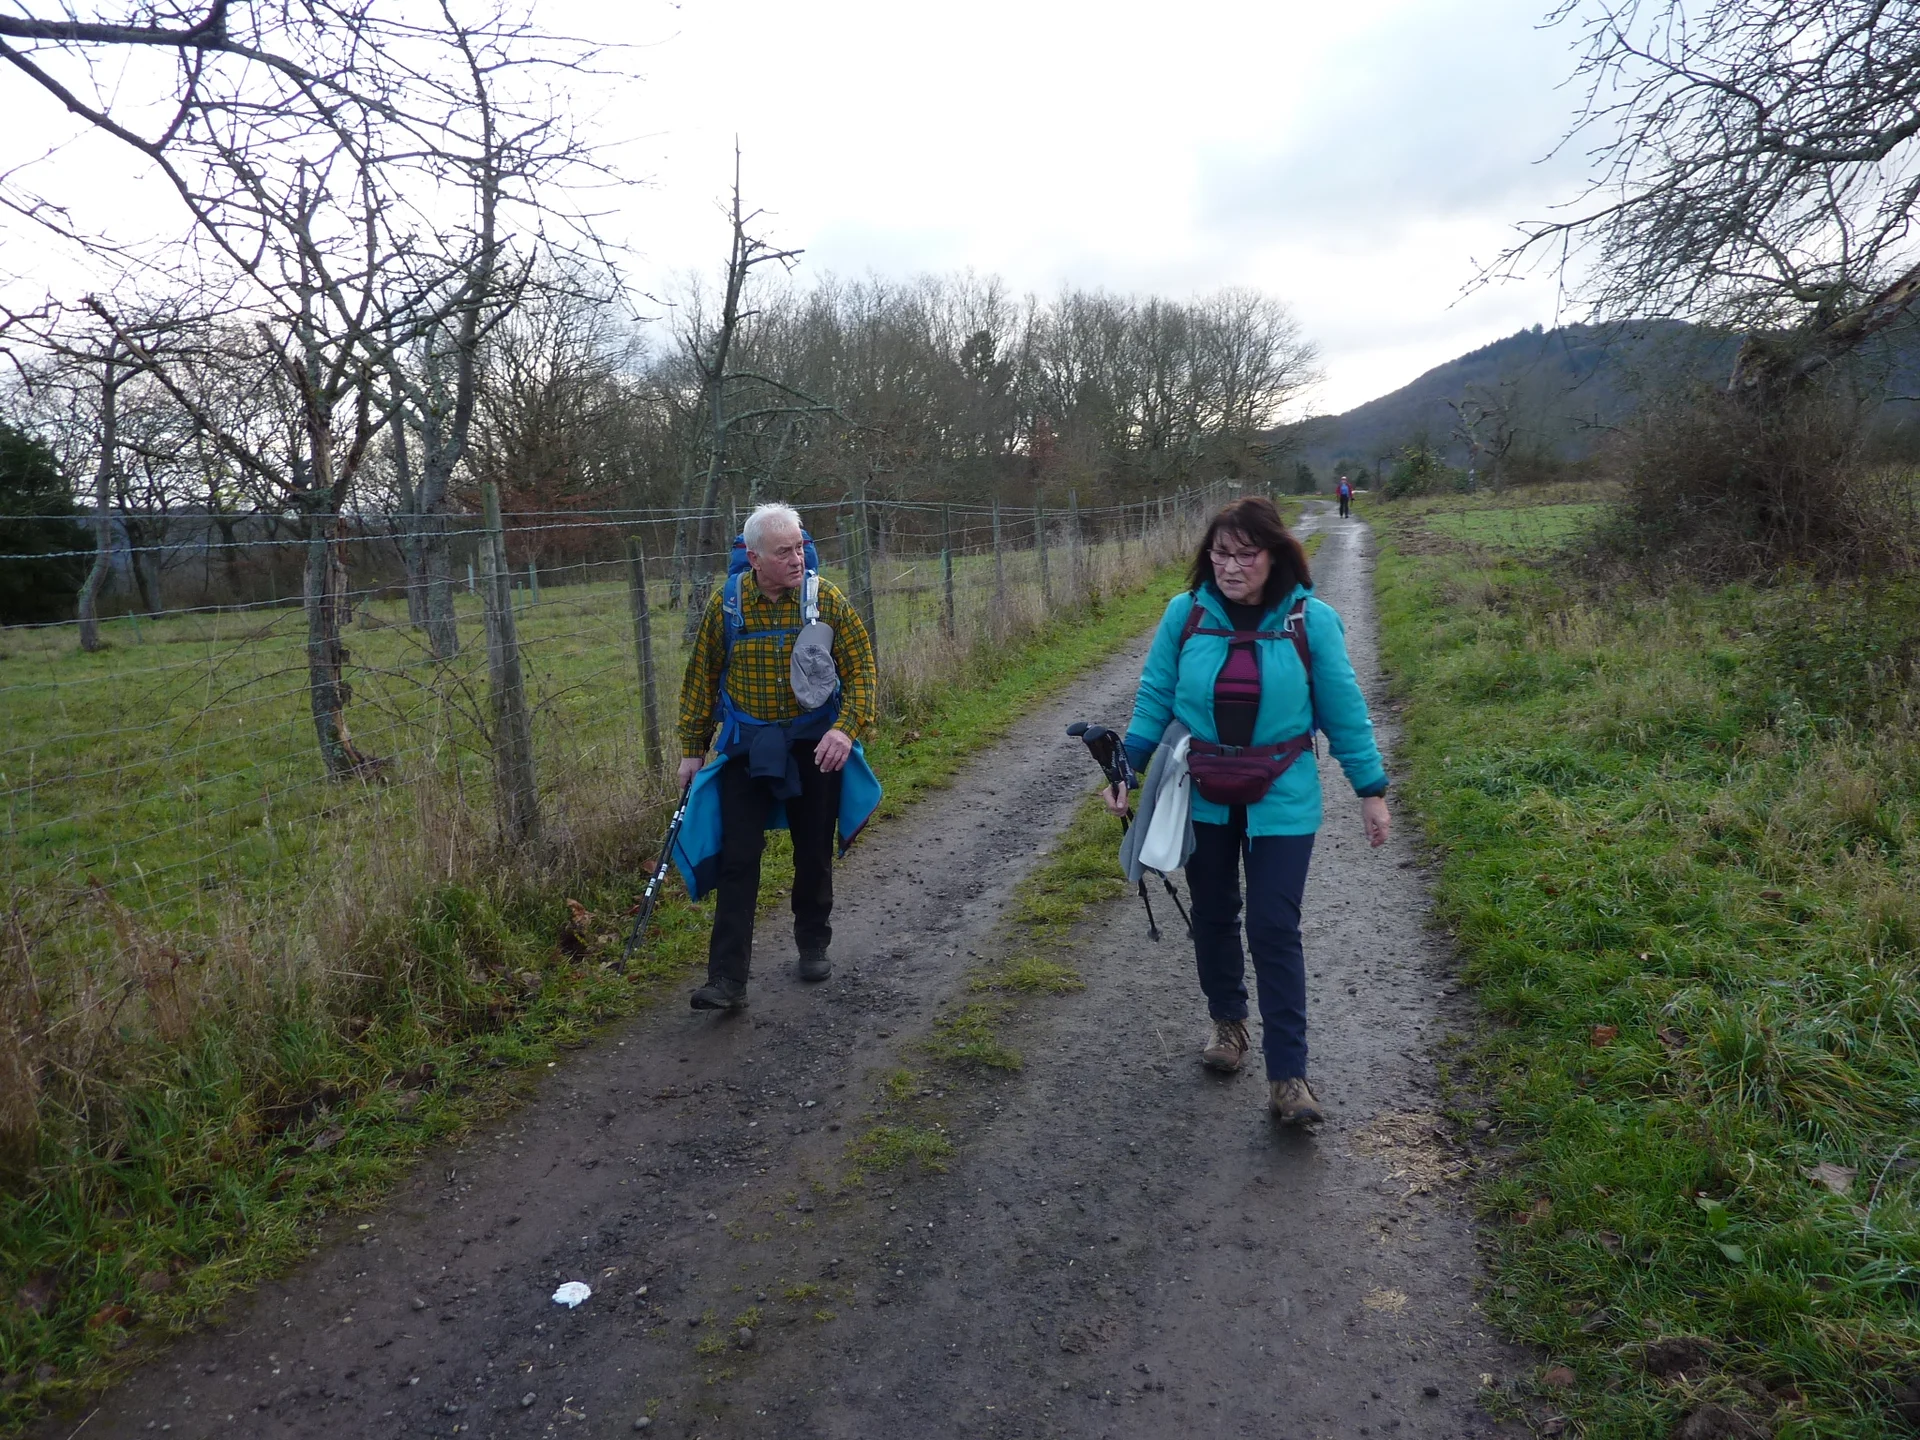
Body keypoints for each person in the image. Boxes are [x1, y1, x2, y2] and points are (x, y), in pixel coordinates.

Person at [1109, 495, 1389, 1124]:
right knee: (1212, 914)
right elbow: (1155, 695)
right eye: (1220, 554)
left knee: (1271, 927)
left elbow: (1344, 711)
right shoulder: (1184, 615)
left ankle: (1289, 1075)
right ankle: (1229, 1026)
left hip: (1283, 795)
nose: (1231, 567)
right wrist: (1126, 765)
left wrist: (1370, 790)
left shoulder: (1311, 622)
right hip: (1202, 788)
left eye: (1245, 554)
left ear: (1275, 556)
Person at [674, 502, 880, 1011]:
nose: (798, 559)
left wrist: (844, 730)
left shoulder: (824, 598)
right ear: (753, 556)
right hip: (747, 747)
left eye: (800, 547)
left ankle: (813, 944)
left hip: (815, 746)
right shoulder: (726, 606)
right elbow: (700, 679)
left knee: (813, 851)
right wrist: (691, 750)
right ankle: (727, 980)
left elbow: (862, 670)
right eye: (784, 551)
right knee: (737, 860)